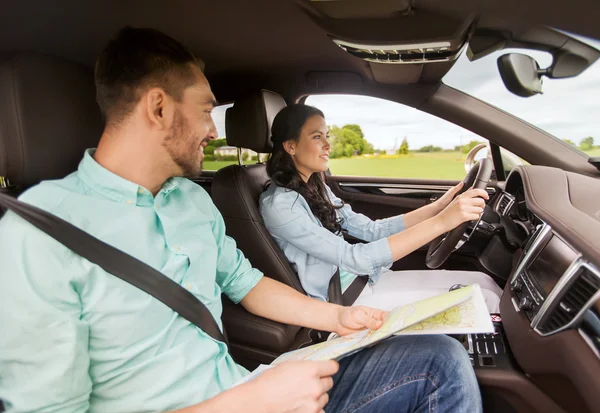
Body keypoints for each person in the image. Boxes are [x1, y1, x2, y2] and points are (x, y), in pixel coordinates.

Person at [0, 27, 482, 413]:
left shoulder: (190, 200)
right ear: (159, 107)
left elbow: (246, 282)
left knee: (442, 360)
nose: (214, 129)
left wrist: (338, 318)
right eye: (208, 110)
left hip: (248, 387)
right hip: (245, 399)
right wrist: (248, 403)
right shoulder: (36, 235)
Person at [259, 104, 503, 312]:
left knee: (484, 282)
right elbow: (354, 259)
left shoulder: (315, 187)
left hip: (368, 281)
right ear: (290, 146)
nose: (327, 145)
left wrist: (440, 207)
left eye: (326, 135)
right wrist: (442, 222)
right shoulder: (281, 206)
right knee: (485, 299)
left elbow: (371, 230)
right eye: (316, 137)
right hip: (346, 301)